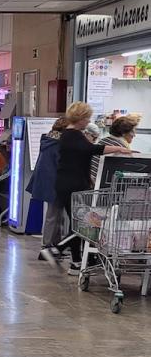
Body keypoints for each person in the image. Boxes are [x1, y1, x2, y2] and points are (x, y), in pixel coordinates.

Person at [41, 103, 132, 275]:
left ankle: (76, 263)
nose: (88, 121)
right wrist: (119, 148)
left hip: (65, 184)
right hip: (74, 185)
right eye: (87, 118)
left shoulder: (67, 135)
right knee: (82, 225)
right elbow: (92, 149)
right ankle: (56, 249)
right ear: (80, 118)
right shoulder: (74, 135)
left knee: (75, 223)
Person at [26, 117, 69, 258]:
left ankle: (55, 245)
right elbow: (60, 163)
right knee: (54, 214)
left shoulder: (48, 140)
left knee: (56, 214)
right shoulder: (59, 144)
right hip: (54, 181)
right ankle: (47, 247)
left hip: (45, 180)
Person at [90, 116, 138, 182]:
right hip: (98, 184)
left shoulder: (103, 140)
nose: (134, 135)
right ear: (123, 133)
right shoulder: (121, 149)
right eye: (132, 131)